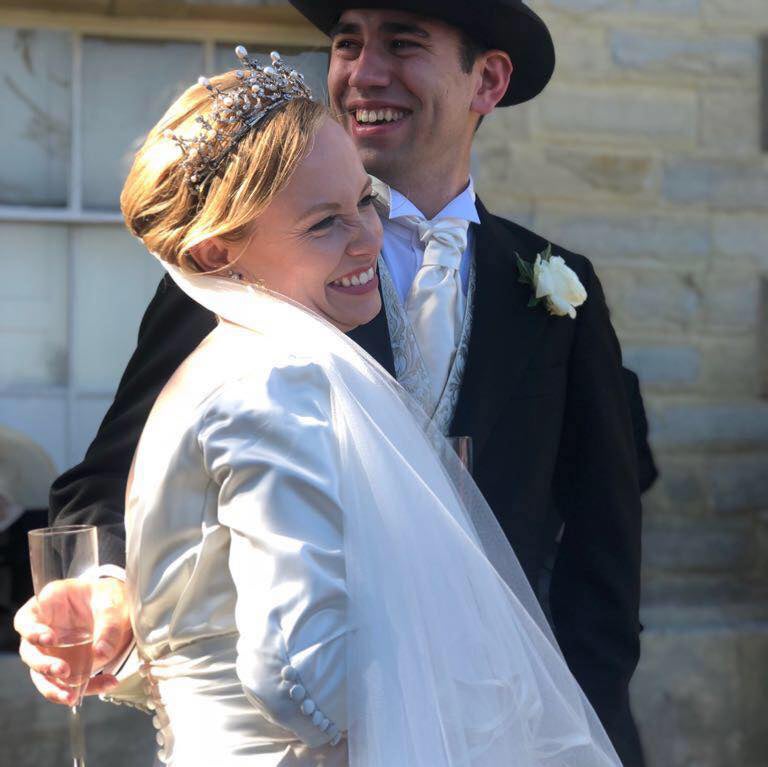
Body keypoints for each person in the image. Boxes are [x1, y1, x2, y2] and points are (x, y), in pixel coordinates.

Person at [16, 1, 653, 764]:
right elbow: (116, 475)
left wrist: (599, 735)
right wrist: (108, 588)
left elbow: (600, 558)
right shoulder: (241, 266)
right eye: (348, 43)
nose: (362, 72)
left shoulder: (560, 292)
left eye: (403, 43)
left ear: (488, 79)